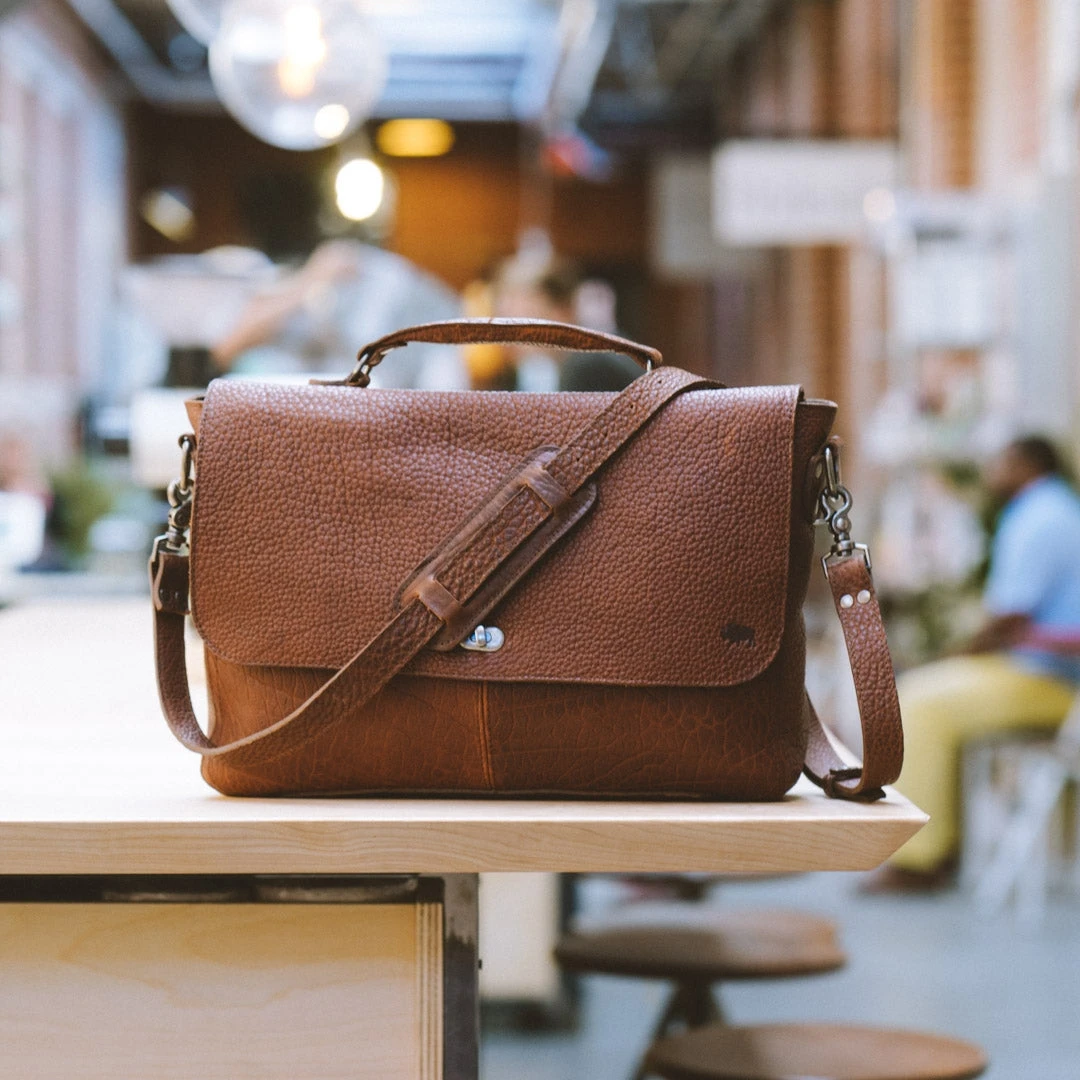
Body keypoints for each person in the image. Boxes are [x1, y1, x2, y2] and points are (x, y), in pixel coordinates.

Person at [870, 436, 1080, 892]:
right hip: (1040, 669)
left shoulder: (1041, 516)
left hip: (1052, 678)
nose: (991, 470)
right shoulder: (1057, 507)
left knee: (919, 701)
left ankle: (921, 860)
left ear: (1027, 463)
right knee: (926, 690)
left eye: (1001, 460)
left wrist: (958, 654)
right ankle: (943, 842)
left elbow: (1010, 615)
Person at [493, 255, 640, 392]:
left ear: (562, 312)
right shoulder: (593, 352)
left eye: (524, 319)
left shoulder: (587, 364)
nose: (508, 341)